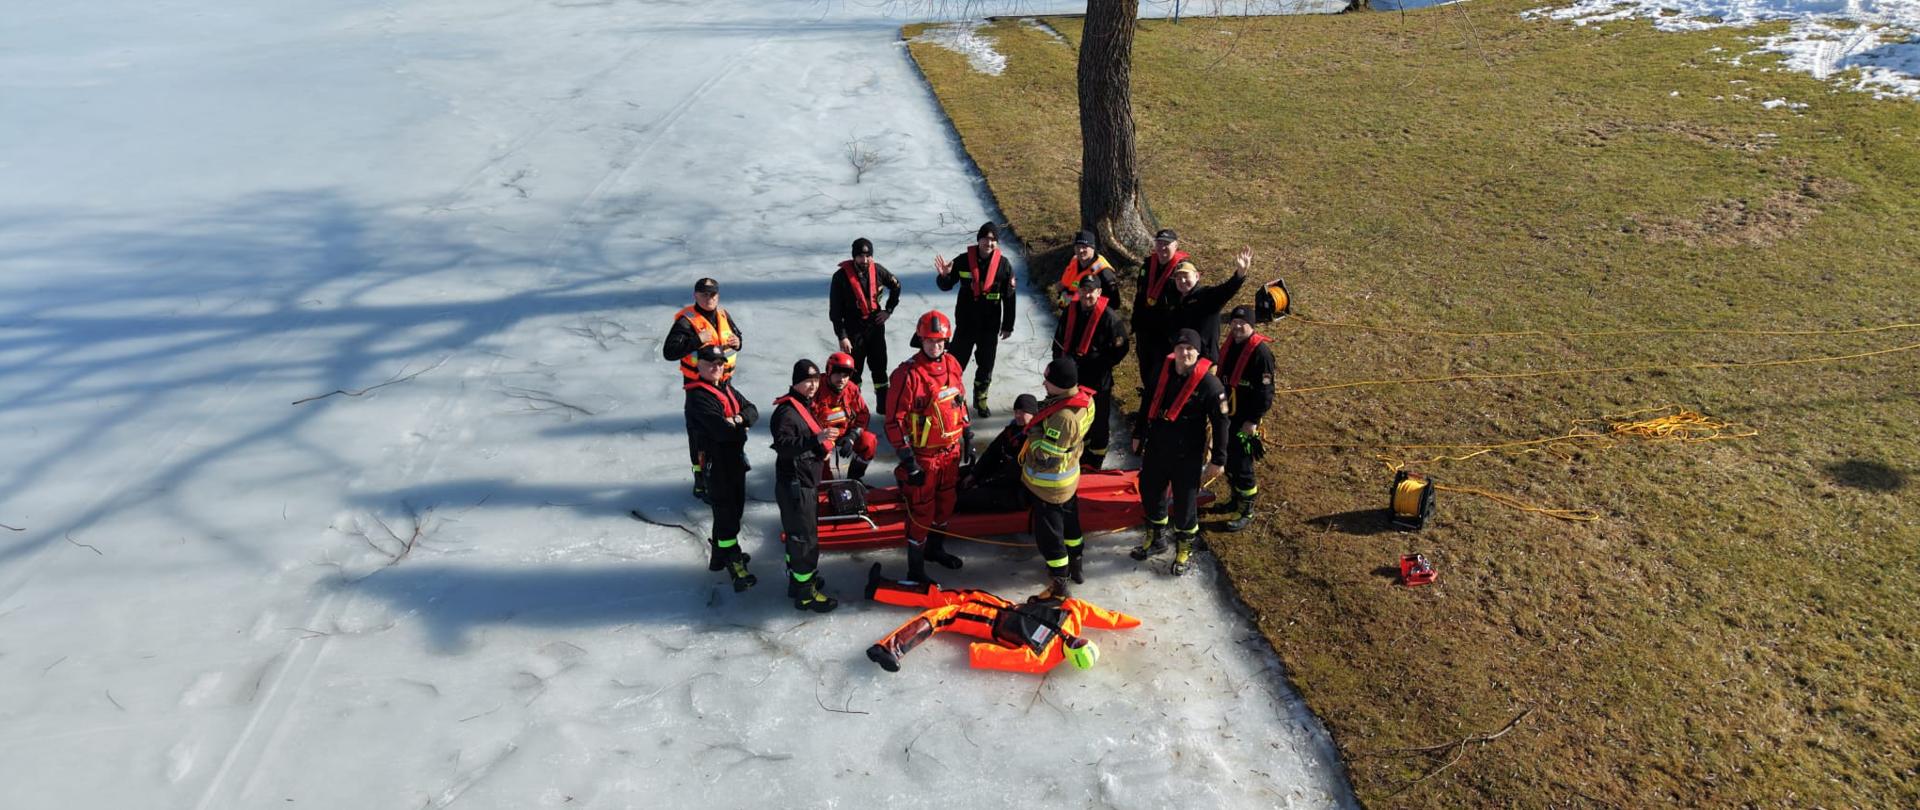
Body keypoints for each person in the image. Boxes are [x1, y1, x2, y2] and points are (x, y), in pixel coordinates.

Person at [863, 565, 1139, 674]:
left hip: (987, 622)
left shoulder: (1041, 658)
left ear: (1072, 657)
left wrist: (981, 652)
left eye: (1076, 647)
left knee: (939, 617)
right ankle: (879, 589)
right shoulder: (1072, 620)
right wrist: (1126, 621)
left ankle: (890, 649)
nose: (1075, 640)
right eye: (1082, 641)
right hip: (1000, 604)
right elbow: (1095, 613)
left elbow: (994, 656)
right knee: (945, 597)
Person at [1130, 329, 1228, 577]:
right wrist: (1138, 434)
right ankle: (1156, 538)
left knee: (1185, 503)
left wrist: (1219, 459)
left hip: (1187, 453)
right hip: (1157, 446)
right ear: (1173, 350)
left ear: (1198, 353)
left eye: (1190, 349)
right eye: (1180, 348)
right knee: (1150, 491)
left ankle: (1184, 548)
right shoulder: (1161, 372)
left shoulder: (1209, 384)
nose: (1184, 353)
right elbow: (1146, 403)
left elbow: (1221, 423)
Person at [883, 311, 971, 582]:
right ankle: (916, 569)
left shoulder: (953, 364)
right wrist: (908, 461)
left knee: (946, 506)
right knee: (922, 512)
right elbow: (893, 422)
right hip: (924, 458)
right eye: (931, 341)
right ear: (920, 340)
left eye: (940, 341)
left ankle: (935, 549)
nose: (936, 346)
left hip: (950, 453)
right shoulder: (907, 375)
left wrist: (968, 435)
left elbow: (960, 402)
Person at [683, 345, 758, 591]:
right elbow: (721, 431)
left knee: (734, 509)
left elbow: (752, 410)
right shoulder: (698, 397)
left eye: (719, 364)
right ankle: (734, 563)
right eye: (711, 364)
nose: (716, 368)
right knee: (727, 514)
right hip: (717, 462)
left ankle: (718, 557)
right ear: (699, 365)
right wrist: (739, 427)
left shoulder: (725, 387)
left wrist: (737, 419)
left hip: (734, 459)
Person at [663, 277, 743, 502]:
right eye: (705, 294)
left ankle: (728, 472)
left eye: (713, 294)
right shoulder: (686, 321)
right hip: (698, 387)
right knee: (700, 436)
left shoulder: (723, 315)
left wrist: (738, 342)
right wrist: (696, 340)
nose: (710, 298)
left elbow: (737, 337)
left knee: (728, 428)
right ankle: (701, 481)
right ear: (696, 295)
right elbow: (670, 351)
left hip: (723, 384)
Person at [769, 359, 840, 612]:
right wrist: (816, 439)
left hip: (803, 482)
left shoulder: (803, 406)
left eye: (815, 380)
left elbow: (804, 441)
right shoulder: (787, 412)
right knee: (805, 540)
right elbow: (784, 446)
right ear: (796, 382)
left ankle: (798, 583)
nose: (813, 385)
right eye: (807, 381)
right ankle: (806, 594)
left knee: (798, 537)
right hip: (796, 485)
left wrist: (821, 447)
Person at [1021, 357, 1096, 595]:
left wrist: (1033, 429)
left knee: (1050, 538)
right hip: (1069, 480)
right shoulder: (1086, 400)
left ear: (1062, 385)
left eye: (1048, 381)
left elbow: (1045, 457)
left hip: (1049, 488)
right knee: (1072, 526)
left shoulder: (1063, 418)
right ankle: (1077, 565)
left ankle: (1059, 581)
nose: (1044, 384)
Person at [934, 222, 1016, 417]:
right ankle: (950, 400)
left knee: (986, 365)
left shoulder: (1004, 265)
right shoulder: (963, 261)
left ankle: (980, 400)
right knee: (955, 364)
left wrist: (1008, 325)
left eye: (993, 240)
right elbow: (946, 286)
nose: (989, 243)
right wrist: (944, 276)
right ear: (978, 240)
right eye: (985, 238)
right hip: (966, 324)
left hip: (990, 326)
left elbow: (1010, 298)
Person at [1052, 273, 1128, 470]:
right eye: (1084, 290)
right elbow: (1058, 340)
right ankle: (1079, 451)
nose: (1087, 295)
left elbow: (1122, 348)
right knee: (1075, 415)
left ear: (1099, 292)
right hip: (1074, 377)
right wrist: (1058, 367)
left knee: (1099, 420)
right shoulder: (1070, 311)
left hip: (1098, 378)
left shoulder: (1110, 318)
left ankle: (1096, 459)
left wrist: (1103, 363)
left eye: (1091, 291)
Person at [1215, 306, 1276, 532]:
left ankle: (1246, 509)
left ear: (1252, 325)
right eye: (1234, 322)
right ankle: (1235, 499)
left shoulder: (1261, 354)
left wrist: (1253, 420)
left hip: (1245, 419)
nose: (1238, 326)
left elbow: (1266, 392)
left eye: (1243, 323)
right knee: (1229, 459)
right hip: (1228, 414)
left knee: (1242, 464)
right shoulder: (1231, 345)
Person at [828, 237, 901, 413]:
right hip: (853, 330)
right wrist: (842, 336)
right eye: (861, 256)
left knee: (880, 368)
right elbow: (835, 312)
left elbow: (896, 286)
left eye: (868, 256)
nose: (865, 260)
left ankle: (884, 408)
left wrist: (888, 310)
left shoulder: (878, 271)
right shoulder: (840, 277)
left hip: (875, 326)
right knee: (854, 371)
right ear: (854, 257)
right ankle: (853, 409)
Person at [1130, 229, 1193, 397]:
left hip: (1166, 333)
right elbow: (1140, 295)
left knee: (1162, 371)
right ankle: (1149, 397)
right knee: (1145, 365)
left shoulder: (1181, 270)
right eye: (1159, 243)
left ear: (1176, 246)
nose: (1162, 248)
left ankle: (1159, 402)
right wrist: (1135, 322)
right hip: (1145, 329)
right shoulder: (1147, 265)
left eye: (1167, 244)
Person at [1164, 247, 1253, 364]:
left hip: (1204, 361)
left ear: (1197, 276)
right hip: (1182, 359)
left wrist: (1240, 274)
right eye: (1178, 278)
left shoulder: (1206, 296)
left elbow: (1226, 290)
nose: (1182, 281)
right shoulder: (1175, 300)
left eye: (1186, 276)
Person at [956, 394, 1039, 513]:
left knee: (965, 498)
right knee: (958, 476)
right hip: (999, 475)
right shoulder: (1013, 430)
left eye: (1022, 412)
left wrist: (981, 483)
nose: (1017, 415)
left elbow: (1011, 473)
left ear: (1033, 414)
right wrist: (974, 474)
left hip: (1015, 490)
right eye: (1016, 411)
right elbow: (992, 452)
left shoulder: (1033, 440)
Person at [812, 352, 878, 482]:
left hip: (845, 434)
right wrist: (822, 439)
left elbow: (863, 414)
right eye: (837, 374)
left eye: (845, 375)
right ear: (829, 371)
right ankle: (825, 484)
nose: (842, 379)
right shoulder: (816, 389)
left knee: (869, 441)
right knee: (821, 458)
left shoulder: (851, 389)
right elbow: (806, 419)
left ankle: (854, 479)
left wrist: (852, 437)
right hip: (821, 436)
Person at [1052, 229, 1119, 312]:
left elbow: (1114, 303)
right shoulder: (1075, 260)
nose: (1080, 250)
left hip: (1088, 314)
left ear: (1093, 248)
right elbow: (1069, 285)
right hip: (1068, 310)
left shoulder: (1104, 272)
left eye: (1084, 247)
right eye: (1078, 246)